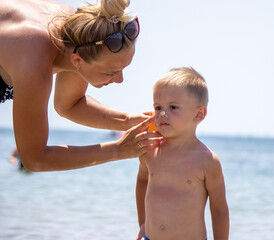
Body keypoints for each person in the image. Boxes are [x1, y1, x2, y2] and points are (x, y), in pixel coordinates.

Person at [0, 0, 162, 171]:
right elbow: (34, 158)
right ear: (77, 60)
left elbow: (70, 105)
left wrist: (128, 121)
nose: (120, 80)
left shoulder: (81, 33)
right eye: (110, 72)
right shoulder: (32, 56)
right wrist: (117, 150)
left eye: (122, 69)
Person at [136, 67, 229, 240]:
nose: (162, 113)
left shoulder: (207, 160)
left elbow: (219, 211)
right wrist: (143, 223)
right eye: (158, 107)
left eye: (173, 107)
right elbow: (142, 181)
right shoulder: (150, 151)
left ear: (199, 114)